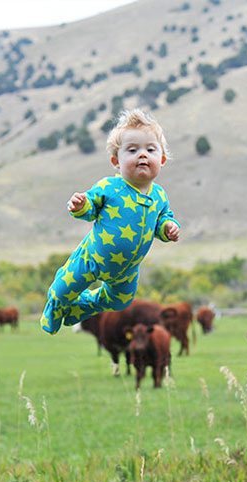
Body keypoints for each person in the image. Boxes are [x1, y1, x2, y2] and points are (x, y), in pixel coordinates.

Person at [40, 108, 180, 335]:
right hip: (92, 259)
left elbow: (163, 220)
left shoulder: (159, 196)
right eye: (132, 150)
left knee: (119, 302)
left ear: (162, 160)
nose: (142, 155)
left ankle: (83, 306)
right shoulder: (110, 187)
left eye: (150, 149)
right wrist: (80, 205)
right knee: (63, 289)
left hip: (126, 271)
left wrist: (168, 229)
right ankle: (56, 306)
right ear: (116, 161)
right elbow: (90, 207)